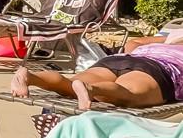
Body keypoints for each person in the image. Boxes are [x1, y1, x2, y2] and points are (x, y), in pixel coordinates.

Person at [11, 30, 183, 110]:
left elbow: (133, 42)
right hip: (160, 67)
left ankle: (30, 77)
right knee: (128, 93)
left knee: (70, 84)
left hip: (120, 59)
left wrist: (136, 56)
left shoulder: (175, 35)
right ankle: (91, 89)